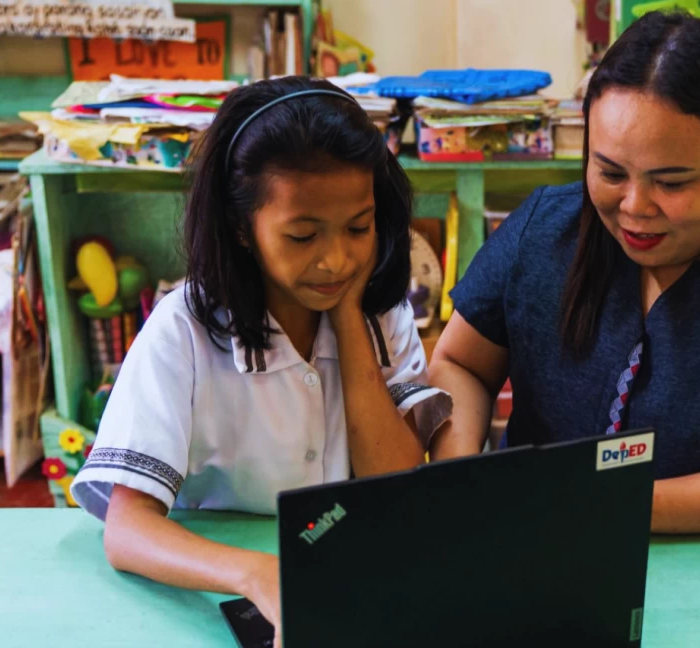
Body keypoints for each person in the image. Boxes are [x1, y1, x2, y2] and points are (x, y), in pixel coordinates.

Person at [429, 11, 700, 533]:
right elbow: (461, 363)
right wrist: (459, 479)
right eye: (610, 172)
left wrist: (605, 504)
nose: (635, 207)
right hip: (541, 551)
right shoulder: (543, 233)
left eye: (671, 182)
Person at [70, 77, 450, 641]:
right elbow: (126, 531)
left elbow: (393, 485)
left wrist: (347, 319)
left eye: (358, 228)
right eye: (303, 236)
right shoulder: (183, 330)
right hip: (211, 595)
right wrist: (257, 575)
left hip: (351, 584)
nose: (337, 259)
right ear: (240, 229)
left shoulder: (379, 311)